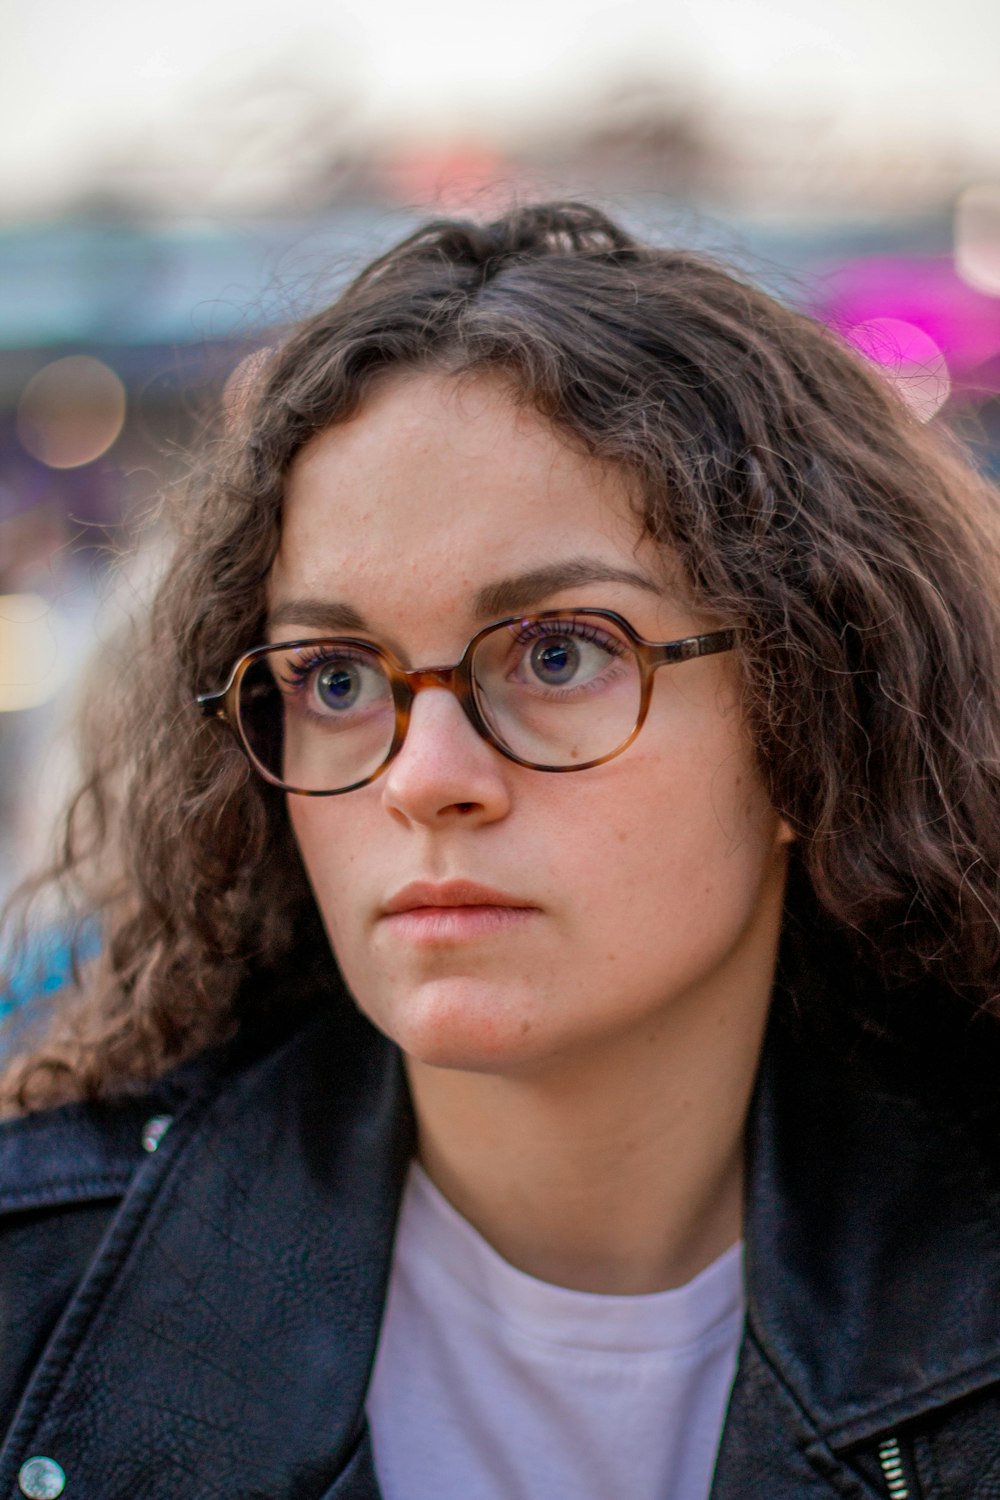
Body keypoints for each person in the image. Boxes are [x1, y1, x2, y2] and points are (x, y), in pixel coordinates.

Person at [1, 200, 999, 1500]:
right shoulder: (36, 1308)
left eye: (560, 654)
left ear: (816, 713)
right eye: (339, 678)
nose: (424, 780)